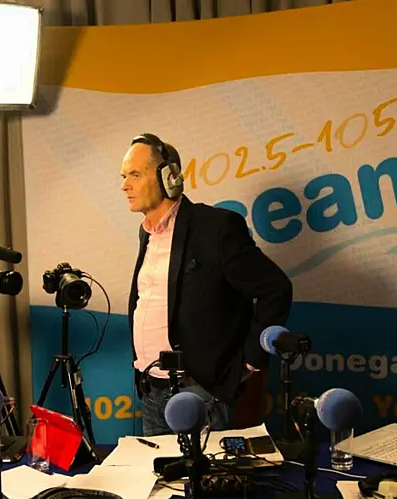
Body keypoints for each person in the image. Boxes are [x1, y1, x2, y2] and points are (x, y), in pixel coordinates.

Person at [121, 132, 293, 436]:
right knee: (160, 482)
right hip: (151, 392)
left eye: (135, 174)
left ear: (169, 176)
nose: (125, 185)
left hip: (200, 393)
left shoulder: (215, 227)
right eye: (124, 176)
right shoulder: (146, 233)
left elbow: (274, 289)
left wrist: (249, 362)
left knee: (201, 483)